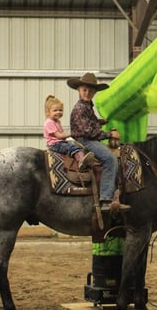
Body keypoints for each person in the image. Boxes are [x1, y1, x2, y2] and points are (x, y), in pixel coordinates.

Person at [67, 73, 130, 212]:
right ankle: (106, 199)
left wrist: (102, 121)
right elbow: (88, 131)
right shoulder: (80, 108)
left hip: (88, 137)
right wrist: (110, 134)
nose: (87, 93)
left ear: (95, 92)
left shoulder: (87, 105)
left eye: (91, 91)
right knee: (110, 159)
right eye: (84, 90)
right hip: (85, 140)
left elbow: (91, 122)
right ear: (78, 89)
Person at [44, 95, 96, 171]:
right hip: (54, 144)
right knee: (70, 147)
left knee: (75, 143)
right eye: (55, 110)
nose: (58, 112)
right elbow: (59, 136)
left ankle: (84, 155)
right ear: (48, 112)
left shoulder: (57, 122)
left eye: (60, 110)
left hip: (59, 142)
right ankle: (81, 159)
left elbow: (62, 137)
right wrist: (72, 133)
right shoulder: (49, 123)